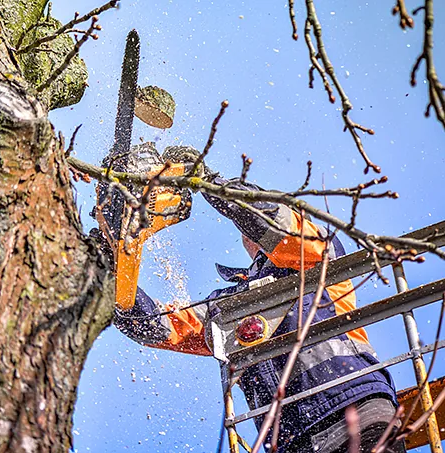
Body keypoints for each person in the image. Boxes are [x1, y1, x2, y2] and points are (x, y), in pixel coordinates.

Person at [102, 146, 406, 453]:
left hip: (352, 406)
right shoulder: (231, 304)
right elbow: (157, 325)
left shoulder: (317, 253)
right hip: (291, 441)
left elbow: (271, 221)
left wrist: (207, 182)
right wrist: (108, 268)